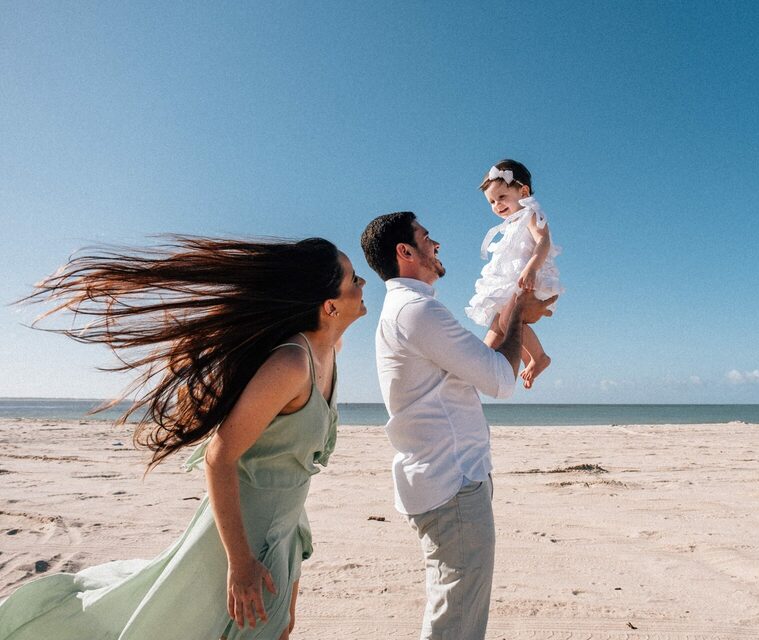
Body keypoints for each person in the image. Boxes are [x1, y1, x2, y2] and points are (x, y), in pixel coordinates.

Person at [0, 236, 366, 640]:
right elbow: (219, 456)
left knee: (280, 629)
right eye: (353, 279)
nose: (363, 284)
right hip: (242, 533)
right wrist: (240, 562)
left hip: (286, 523)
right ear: (329, 306)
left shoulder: (330, 350)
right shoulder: (292, 363)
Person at [360, 212, 556, 640]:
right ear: (404, 252)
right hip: (452, 485)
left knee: (452, 609)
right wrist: (519, 312)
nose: (437, 245)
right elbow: (502, 380)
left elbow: (484, 366)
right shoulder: (418, 311)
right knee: (457, 622)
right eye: (427, 238)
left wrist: (514, 312)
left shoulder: (409, 310)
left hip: (442, 482)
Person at [465, 159, 563, 389]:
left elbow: (543, 242)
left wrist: (531, 268)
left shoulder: (531, 214)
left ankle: (539, 357)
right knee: (497, 327)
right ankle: (519, 359)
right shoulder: (512, 224)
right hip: (513, 282)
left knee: (509, 320)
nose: (497, 205)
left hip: (528, 280)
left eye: (502, 197)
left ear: (524, 191)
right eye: (491, 201)